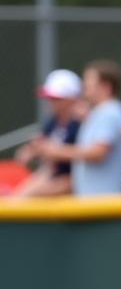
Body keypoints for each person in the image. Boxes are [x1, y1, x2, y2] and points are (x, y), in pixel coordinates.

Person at [38, 60, 121, 197]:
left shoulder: (111, 111)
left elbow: (98, 152)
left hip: (104, 202)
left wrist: (57, 151)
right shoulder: (100, 112)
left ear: (105, 87)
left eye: (90, 82)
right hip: (95, 200)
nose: (84, 86)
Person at [13, 69, 81, 198]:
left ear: (72, 99)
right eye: (50, 97)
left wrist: (52, 151)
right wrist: (31, 150)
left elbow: (87, 154)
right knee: (17, 197)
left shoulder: (81, 124)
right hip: (53, 175)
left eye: (56, 98)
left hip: (74, 180)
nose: (51, 102)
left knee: (28, 196)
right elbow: (40, 145)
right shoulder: (53, 121)